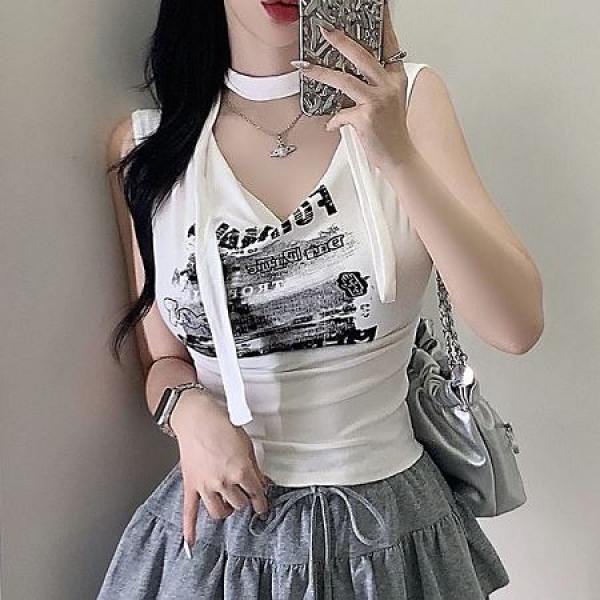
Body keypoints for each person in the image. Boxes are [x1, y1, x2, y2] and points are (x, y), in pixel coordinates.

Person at [97, 0, 543, 598]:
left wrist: (397, 154)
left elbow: (516, 326)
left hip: (391, 532)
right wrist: (189, 414)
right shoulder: (146, 146)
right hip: (220, 539)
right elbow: (163, 361)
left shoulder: (411, 102)